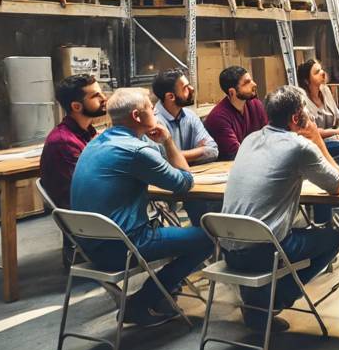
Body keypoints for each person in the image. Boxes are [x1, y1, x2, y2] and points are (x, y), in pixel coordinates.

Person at [70, 88, 211, 326]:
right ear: (137, 116)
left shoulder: (97, 142)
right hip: (123, 247)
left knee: (179, 235)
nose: (155, 111)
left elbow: (155, 161)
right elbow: (184, 183)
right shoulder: (136, 151)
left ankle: (164, 293)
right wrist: (167, 140)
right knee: (208, 237)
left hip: (88, 245)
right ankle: (143, 300)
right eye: (149, 107)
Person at [220, 86, 339, 332]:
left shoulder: (250, 139)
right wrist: (317, 138)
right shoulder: (299, 146)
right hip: (263, 251)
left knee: (266, 233)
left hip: (228, 247)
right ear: (296, 118)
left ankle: (257, 302)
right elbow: (337, 184)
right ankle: (271, 303)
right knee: (333, 238)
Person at [41, 74, 107, 262]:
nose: (104, 99)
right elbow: (83, 190)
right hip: (84, 218)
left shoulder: (87, 131)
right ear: (76, 107)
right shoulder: (63, 142)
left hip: (95, 208)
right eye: (96, 96)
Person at [151, 68, 218, 165]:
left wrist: (173, 156)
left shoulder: (190, 115)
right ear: (170, 97)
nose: (192, 89)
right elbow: (160, 160)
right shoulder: (153, 122)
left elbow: (212, 150)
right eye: (185, 87)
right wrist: (198, 152)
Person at [204, 66, 267, 161]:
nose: (254, 84)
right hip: (229, 168)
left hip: (255, 161)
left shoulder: (256, 104)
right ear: (232, 92)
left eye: (251, 80)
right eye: (246, 83)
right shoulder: (218, 117)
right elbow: (236, 153)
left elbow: (269, 136)